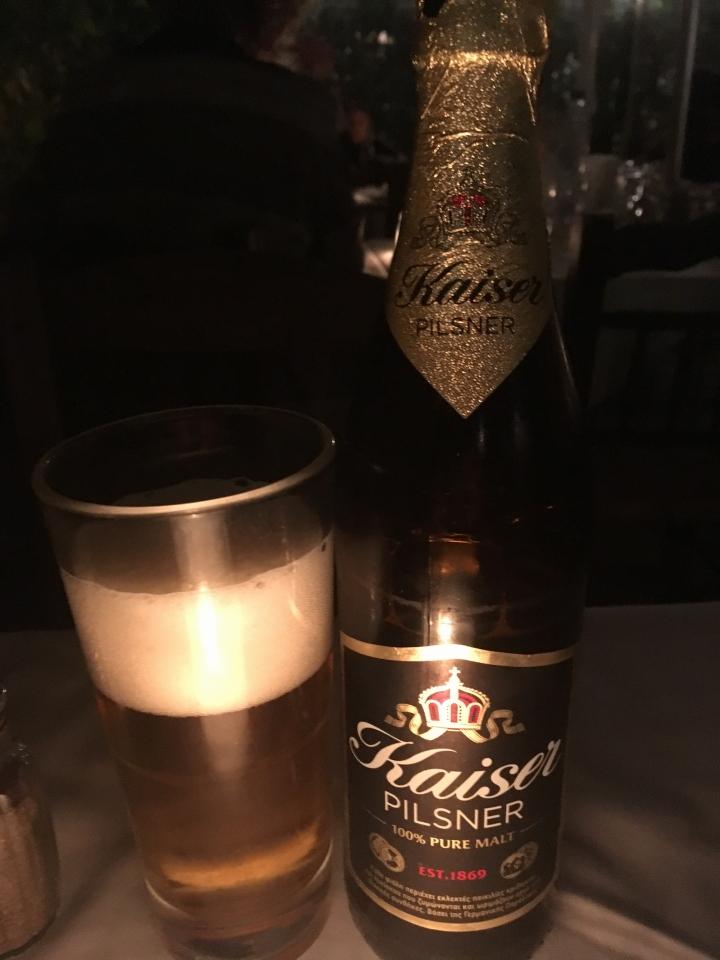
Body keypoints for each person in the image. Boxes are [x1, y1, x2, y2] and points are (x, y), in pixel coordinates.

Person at [15, 0, 361, 271]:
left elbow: (29, 252)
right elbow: (342, 275)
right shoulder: (301, 115)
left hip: (93, 339)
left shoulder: (84, 100)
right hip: (260, 338)